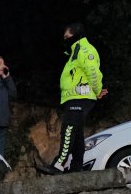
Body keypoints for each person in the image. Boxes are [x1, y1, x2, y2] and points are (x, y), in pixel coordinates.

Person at [38, 23, 107, 174]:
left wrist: (96, 91)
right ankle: (76, 167)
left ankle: (59, 164)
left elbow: (94, 73)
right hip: (75, 97)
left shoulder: (84, 50)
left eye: (67, 36)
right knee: (77, 133)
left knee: (68, 128)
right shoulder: (73, 52)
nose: (65, 39)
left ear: (76, 35)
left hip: (81, 97)